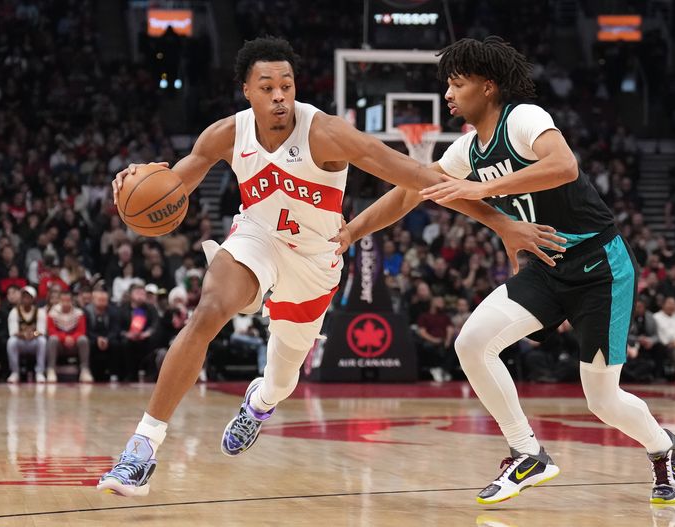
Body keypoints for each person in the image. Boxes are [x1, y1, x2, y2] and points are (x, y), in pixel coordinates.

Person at [97, 36, 565, 497]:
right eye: (266, 87)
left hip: (316, 260)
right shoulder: (224, 134)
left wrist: (502, 223)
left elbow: (422, 178)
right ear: (247, 90)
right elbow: (171, 186)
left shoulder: (327, 132)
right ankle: (143, 447)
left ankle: (259, 404)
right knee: (209, 310)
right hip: (256, 237)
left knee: (282, 379)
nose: (279, 95)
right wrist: (134, 180)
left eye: (287, 84)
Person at [339, 36, 675, 505]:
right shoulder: (466, 150)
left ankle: (663, 447)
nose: (447, 95)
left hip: (600, 267)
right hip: (544, 267)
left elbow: (564, 166)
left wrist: (487, 190)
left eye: (456, 84)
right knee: (472, 342)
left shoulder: (524, 118)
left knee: (602, 400)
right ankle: (528, 452)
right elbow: (408, 191)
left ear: (486, 87)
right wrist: (352, 231)